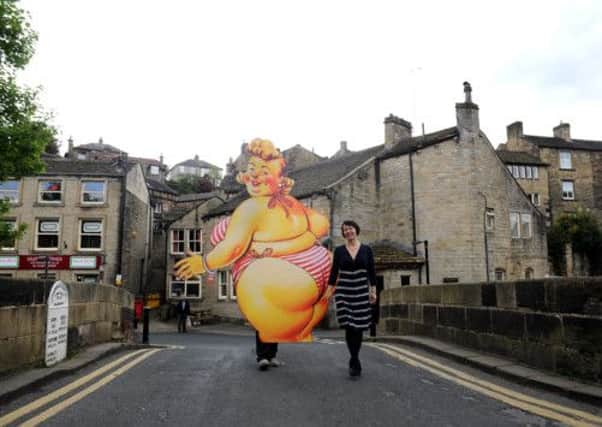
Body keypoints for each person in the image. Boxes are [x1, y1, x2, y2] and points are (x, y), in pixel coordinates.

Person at [174, 138, 332, 369]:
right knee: (268, 323)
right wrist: (297, 243)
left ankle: (267, 355)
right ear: (244, 176)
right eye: (251, 170)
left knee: (266, 315)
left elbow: (233, 247)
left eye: (264, 171)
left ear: (279, 179)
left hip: (283, 284)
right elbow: (318, 225)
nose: (255, 176)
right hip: (298, 284)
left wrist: (204, 262)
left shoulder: (258, 208)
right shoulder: (282, 205)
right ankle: (266, 355)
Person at [323, 220, 377, 377]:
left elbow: (372, 272)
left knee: (358, 327)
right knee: (349, 326)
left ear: (356, 230)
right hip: (344, 292)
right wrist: (328, 291)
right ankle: (355, 360)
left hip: (361, 291)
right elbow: (334, 273)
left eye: (350, 229)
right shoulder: (339, 251)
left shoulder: (367, 250)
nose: (348, 232)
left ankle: (354, 358)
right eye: (345, 230)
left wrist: (373, 291)